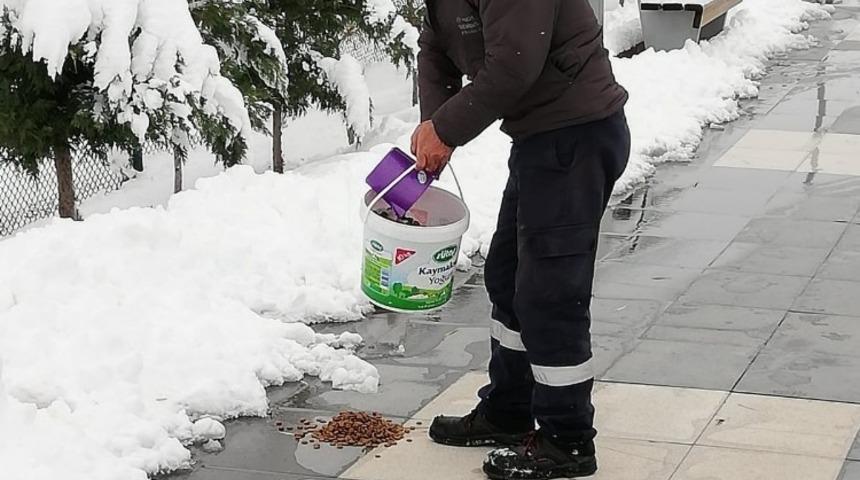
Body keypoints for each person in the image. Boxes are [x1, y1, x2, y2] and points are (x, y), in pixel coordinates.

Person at [411, 0, 630, 479]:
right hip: (540, 138)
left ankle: (567, 440)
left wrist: (446, 131)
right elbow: (435, 48)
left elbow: (514, 64)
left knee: (550, 294)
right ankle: (509, 411)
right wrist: (433, 126)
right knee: (509, 278)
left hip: (576, 135)